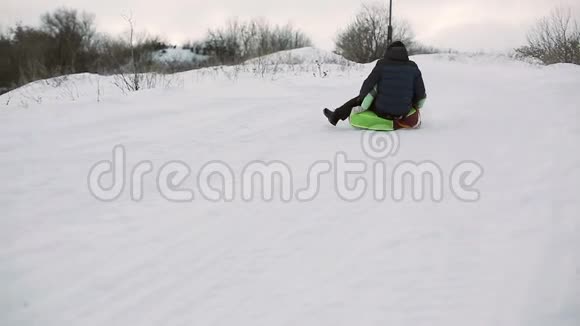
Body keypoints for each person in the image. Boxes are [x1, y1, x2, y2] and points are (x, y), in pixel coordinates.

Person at [323, 41, 427, 129]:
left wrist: (361, 100)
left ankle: (335, 116)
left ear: (388, 52)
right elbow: (421, 94)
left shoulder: (381, 64)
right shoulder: (413, 67)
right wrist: (412, 105)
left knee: (363, 97)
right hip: (404, 110)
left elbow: (367, 86)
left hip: (382, 110)